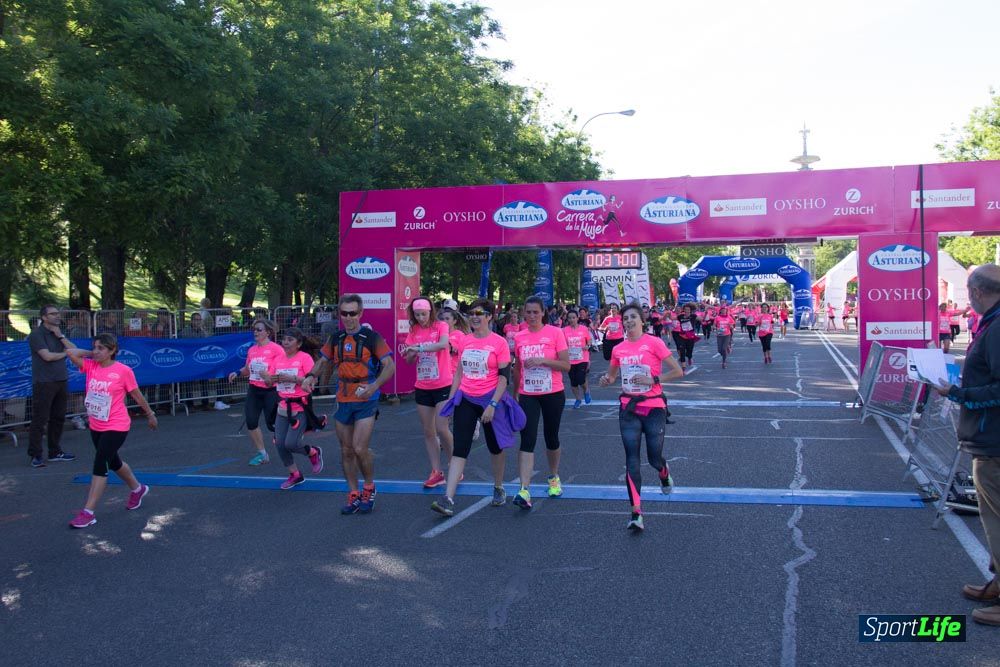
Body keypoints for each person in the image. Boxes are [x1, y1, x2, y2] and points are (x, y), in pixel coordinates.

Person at [933, 264, 1000, 627]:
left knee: (998, 519)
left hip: (994, 440)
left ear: (975, 292)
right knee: (993, 519)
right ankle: (997, 582)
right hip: (988, 438)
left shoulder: (996, 327)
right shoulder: (991, 324)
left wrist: (958, 393)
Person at [304, 294, 395, 515]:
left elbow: (390, 366)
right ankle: (353, 493)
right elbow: (323, 360)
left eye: (352, 313)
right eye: (344, 313)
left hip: (366, 398)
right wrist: (310, 376)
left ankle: (369, 487)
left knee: (359, 448)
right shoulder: (335, 338)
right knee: (346, 450)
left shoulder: (372, 337)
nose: (348, 317)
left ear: (361, 313)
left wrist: (373, 388)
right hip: (344, 398)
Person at [431, 299, 523, 517]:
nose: (474, 316)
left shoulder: (499, 343)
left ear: (489, 316)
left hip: (491, 400)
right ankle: (448, 498)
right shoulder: (466, 341)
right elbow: (459, 373)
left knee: (495, 447)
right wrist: (452, 399)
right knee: (461, 447)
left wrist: (492, 405)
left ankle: (499, 486)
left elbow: (503, 379)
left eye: (479, 313)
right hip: (467, 399)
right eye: (471, 313)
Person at [598, 302, 684, 531]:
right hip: (628, 409)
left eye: (633, 317)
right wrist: (606, 381)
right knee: (631, 461)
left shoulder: (653, 343)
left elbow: (678, 371)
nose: (628, 321)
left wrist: (654, 380)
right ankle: (636, 513)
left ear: (641, 320)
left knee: (654, 458)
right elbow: (612, 376)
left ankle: (664, 473)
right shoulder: (618, 349)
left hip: (653, 407)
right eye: (625, 318)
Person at [63, 333, 157, 528]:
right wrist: (93, 353)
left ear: (112, 350)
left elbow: (136, 395)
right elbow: (70, 352)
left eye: (101, 348)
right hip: (96, 424)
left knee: (100, 464)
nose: (96, 351)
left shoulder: (123, 371)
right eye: (94, 347)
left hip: (117, 425)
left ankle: (88, 512)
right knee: (113, 461)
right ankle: (137, 489)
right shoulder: (90, 365)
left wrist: (150, 414)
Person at [510, 297, 570, 510]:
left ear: (544, 313)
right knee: (527, 438)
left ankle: (553, 477)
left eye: (536, 312)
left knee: (551, 437)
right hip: (528, 393)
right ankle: (524, 489)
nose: (532, 316)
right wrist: (515, 392)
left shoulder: (555, 333)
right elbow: (517, 368)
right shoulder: (519, 337)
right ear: (524, 313)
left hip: (553, 393)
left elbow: (566, 365)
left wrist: (543, 360)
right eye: (529, 312)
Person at [263, 327, 324, 490]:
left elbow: (312, 382)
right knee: (279, 444)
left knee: (291, 443)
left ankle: (313, 452)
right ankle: (295, 474)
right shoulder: (278, 359)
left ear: (299, 344)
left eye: (290, 340)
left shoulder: (304, 358)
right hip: (282, 406)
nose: (286, 342)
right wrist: (268, 378)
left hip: (300, 406)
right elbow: (270, 382)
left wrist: (294, 378)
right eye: (284, 339)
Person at [403, 297, 455, 488]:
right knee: (428, 431)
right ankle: (436, 471)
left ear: (430, 312)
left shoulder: (441, 326)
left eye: (423, 314)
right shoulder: (413, 330)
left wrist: (420, 347)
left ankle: (455, 465)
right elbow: (409, 361)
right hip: (423, 385)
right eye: (417, 315)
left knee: (442, 428)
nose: (420, 318)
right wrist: (410, 353)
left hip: (442, 383)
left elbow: (442, 345)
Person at [26, 306, 76, 468]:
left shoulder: (58, 333)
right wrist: (65, 354)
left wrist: (61, 337)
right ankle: (36, 454)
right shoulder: (37, 334)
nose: (57, 316)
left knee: (58, 417)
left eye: (57, 314)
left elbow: (73, 349)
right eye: (52, 314)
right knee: (40, 419)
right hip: (44, 381)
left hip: (61, 379)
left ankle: (55, 451)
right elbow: (46, 356)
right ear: (44, 317)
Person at [229, 319, 282, 465]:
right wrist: (237, 373)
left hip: (271, 390)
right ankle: (262, 454)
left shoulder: (276, 349)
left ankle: (291, 438)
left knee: (272, 424)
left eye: (259, 329)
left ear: (268, 332)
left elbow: (282, 367)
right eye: (255, 329)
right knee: (251, 422)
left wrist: (270, 376)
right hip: (254, 389)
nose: (256, 332)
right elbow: (247, 369)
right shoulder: (252, 350)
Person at [181, 312, 229, 411]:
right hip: (189, 361)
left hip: (201, 361)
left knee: (204, 380)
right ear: (192, 321)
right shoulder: (185, 332)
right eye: (196, 320)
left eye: (199, 320)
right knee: (189, 381)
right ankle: (190, 404)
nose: (198, 322)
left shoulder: (202, 332)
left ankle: (205, 402)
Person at [563, 308, 593, 408]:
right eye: (570, 318)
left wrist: (587, 346)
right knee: (573, 381)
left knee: (580, 378)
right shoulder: (564, 330)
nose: (572, 320)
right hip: (570, 359)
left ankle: (586, 391)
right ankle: (578, 399)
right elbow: (561, 344)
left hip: (582, 358)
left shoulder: (584, 329)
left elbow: (589, 340)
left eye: (574, 317)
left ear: (577, 318)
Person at [674, 304, 698, 368]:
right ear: (683, 310)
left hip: (690, 336)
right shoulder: (680, 316)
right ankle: (683, 368)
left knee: (689, 350)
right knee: (682, 351)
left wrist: (706, 314)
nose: (687, 311)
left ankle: (689, 358)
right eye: (685, 309)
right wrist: (666, 315)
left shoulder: (693, 316)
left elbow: (702, 319)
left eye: (688, 310)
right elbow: (673, 318)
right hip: (682, 336)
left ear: (690, 310)